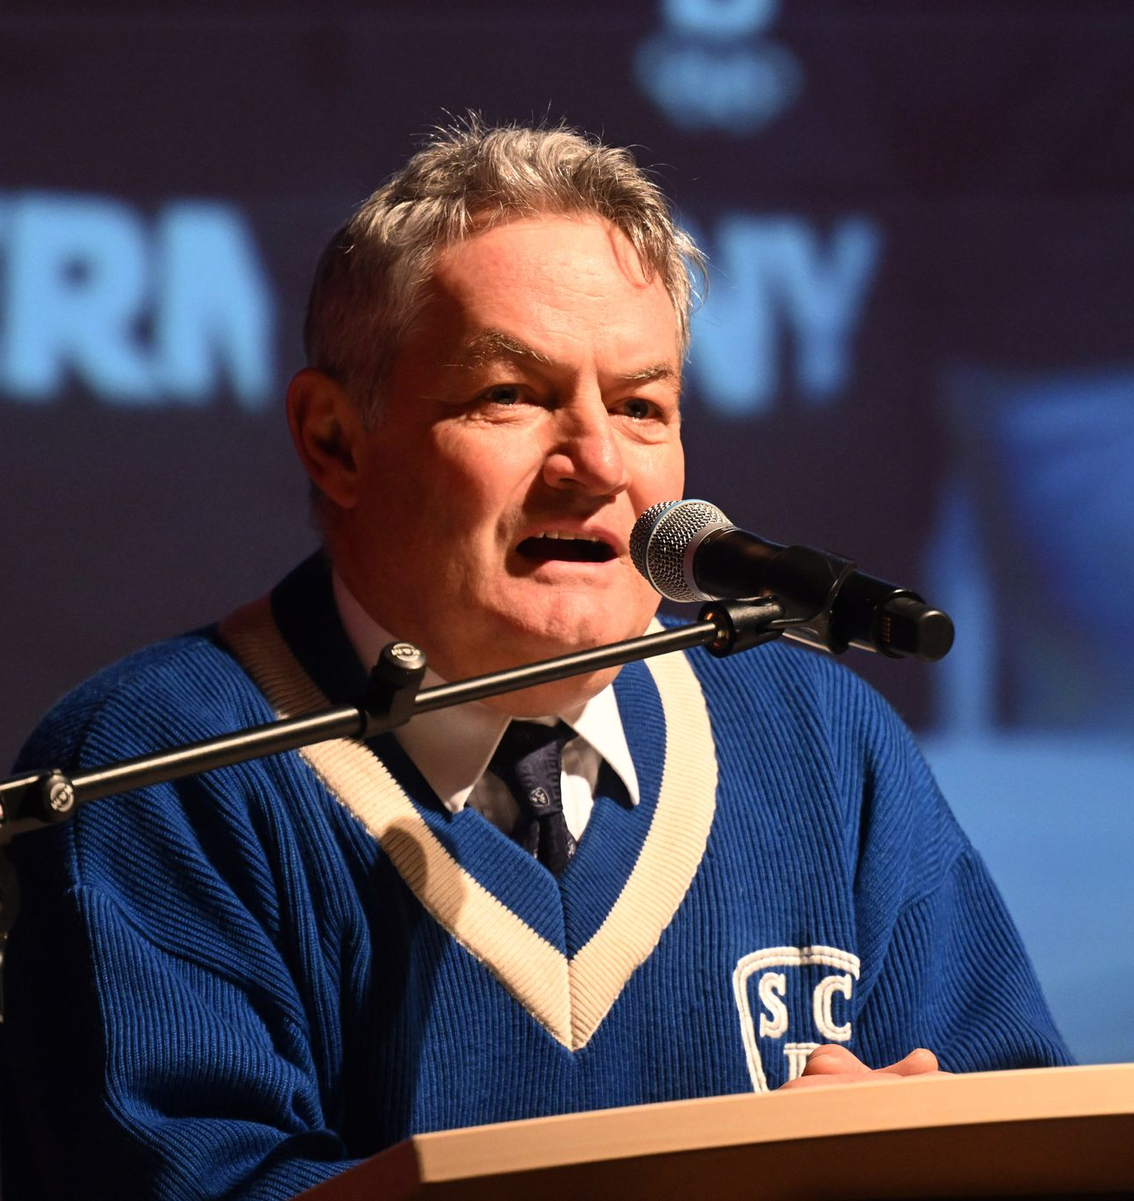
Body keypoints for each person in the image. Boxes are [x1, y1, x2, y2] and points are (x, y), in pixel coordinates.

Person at [1, 119, 1070, 1199]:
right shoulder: (166, 766)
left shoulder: (818, 740)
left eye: (643, 405)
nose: (599, 461)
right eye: (510, 395)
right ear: (333, 440)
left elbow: (1039, 1143)